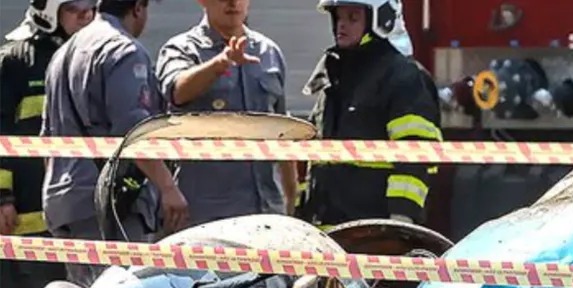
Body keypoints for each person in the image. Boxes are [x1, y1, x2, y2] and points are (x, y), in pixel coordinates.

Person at [6, 0, 190, 288]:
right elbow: (134, 132)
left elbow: (50, 133)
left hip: (65, 198)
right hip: (107, 204)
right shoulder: (122, 52)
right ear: (140, 8)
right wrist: (167, 187)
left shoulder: (68, 50)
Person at [0, 0, 99, 288]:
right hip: (23, 216)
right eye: (75, 8)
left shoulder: (81, 56)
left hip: (67, 216)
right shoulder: (16, 58)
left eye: (91, 8)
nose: (85, 15)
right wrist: (2, 196)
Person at [300, 0, 443, 228]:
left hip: (375, 231)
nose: (341, 25)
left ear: (381, 20)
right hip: (325, 230)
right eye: (338, 17)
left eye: (353, 18)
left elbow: (416, 154)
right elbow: (316, 156)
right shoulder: (334, 76)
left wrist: (401, 219)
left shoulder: (403, 78)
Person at [156, 0, 300, 224]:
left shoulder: (268, 52)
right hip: (207, 214)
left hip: (266, 209)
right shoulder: (182, 49)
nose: (232, 3)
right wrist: (219, 64)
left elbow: (282, 130)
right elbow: (177, 92)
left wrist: (291, 196)